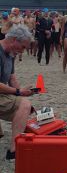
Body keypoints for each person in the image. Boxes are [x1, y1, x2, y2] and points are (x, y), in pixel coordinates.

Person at [0, 25, 34, 160]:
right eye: (23, 47)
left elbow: (12, 77)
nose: (23, 51)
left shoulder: (10, 53)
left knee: (26, 107)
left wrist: (21, 93)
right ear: (14, 40)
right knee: (24, 105)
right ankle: (14, 151)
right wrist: (18, 92)